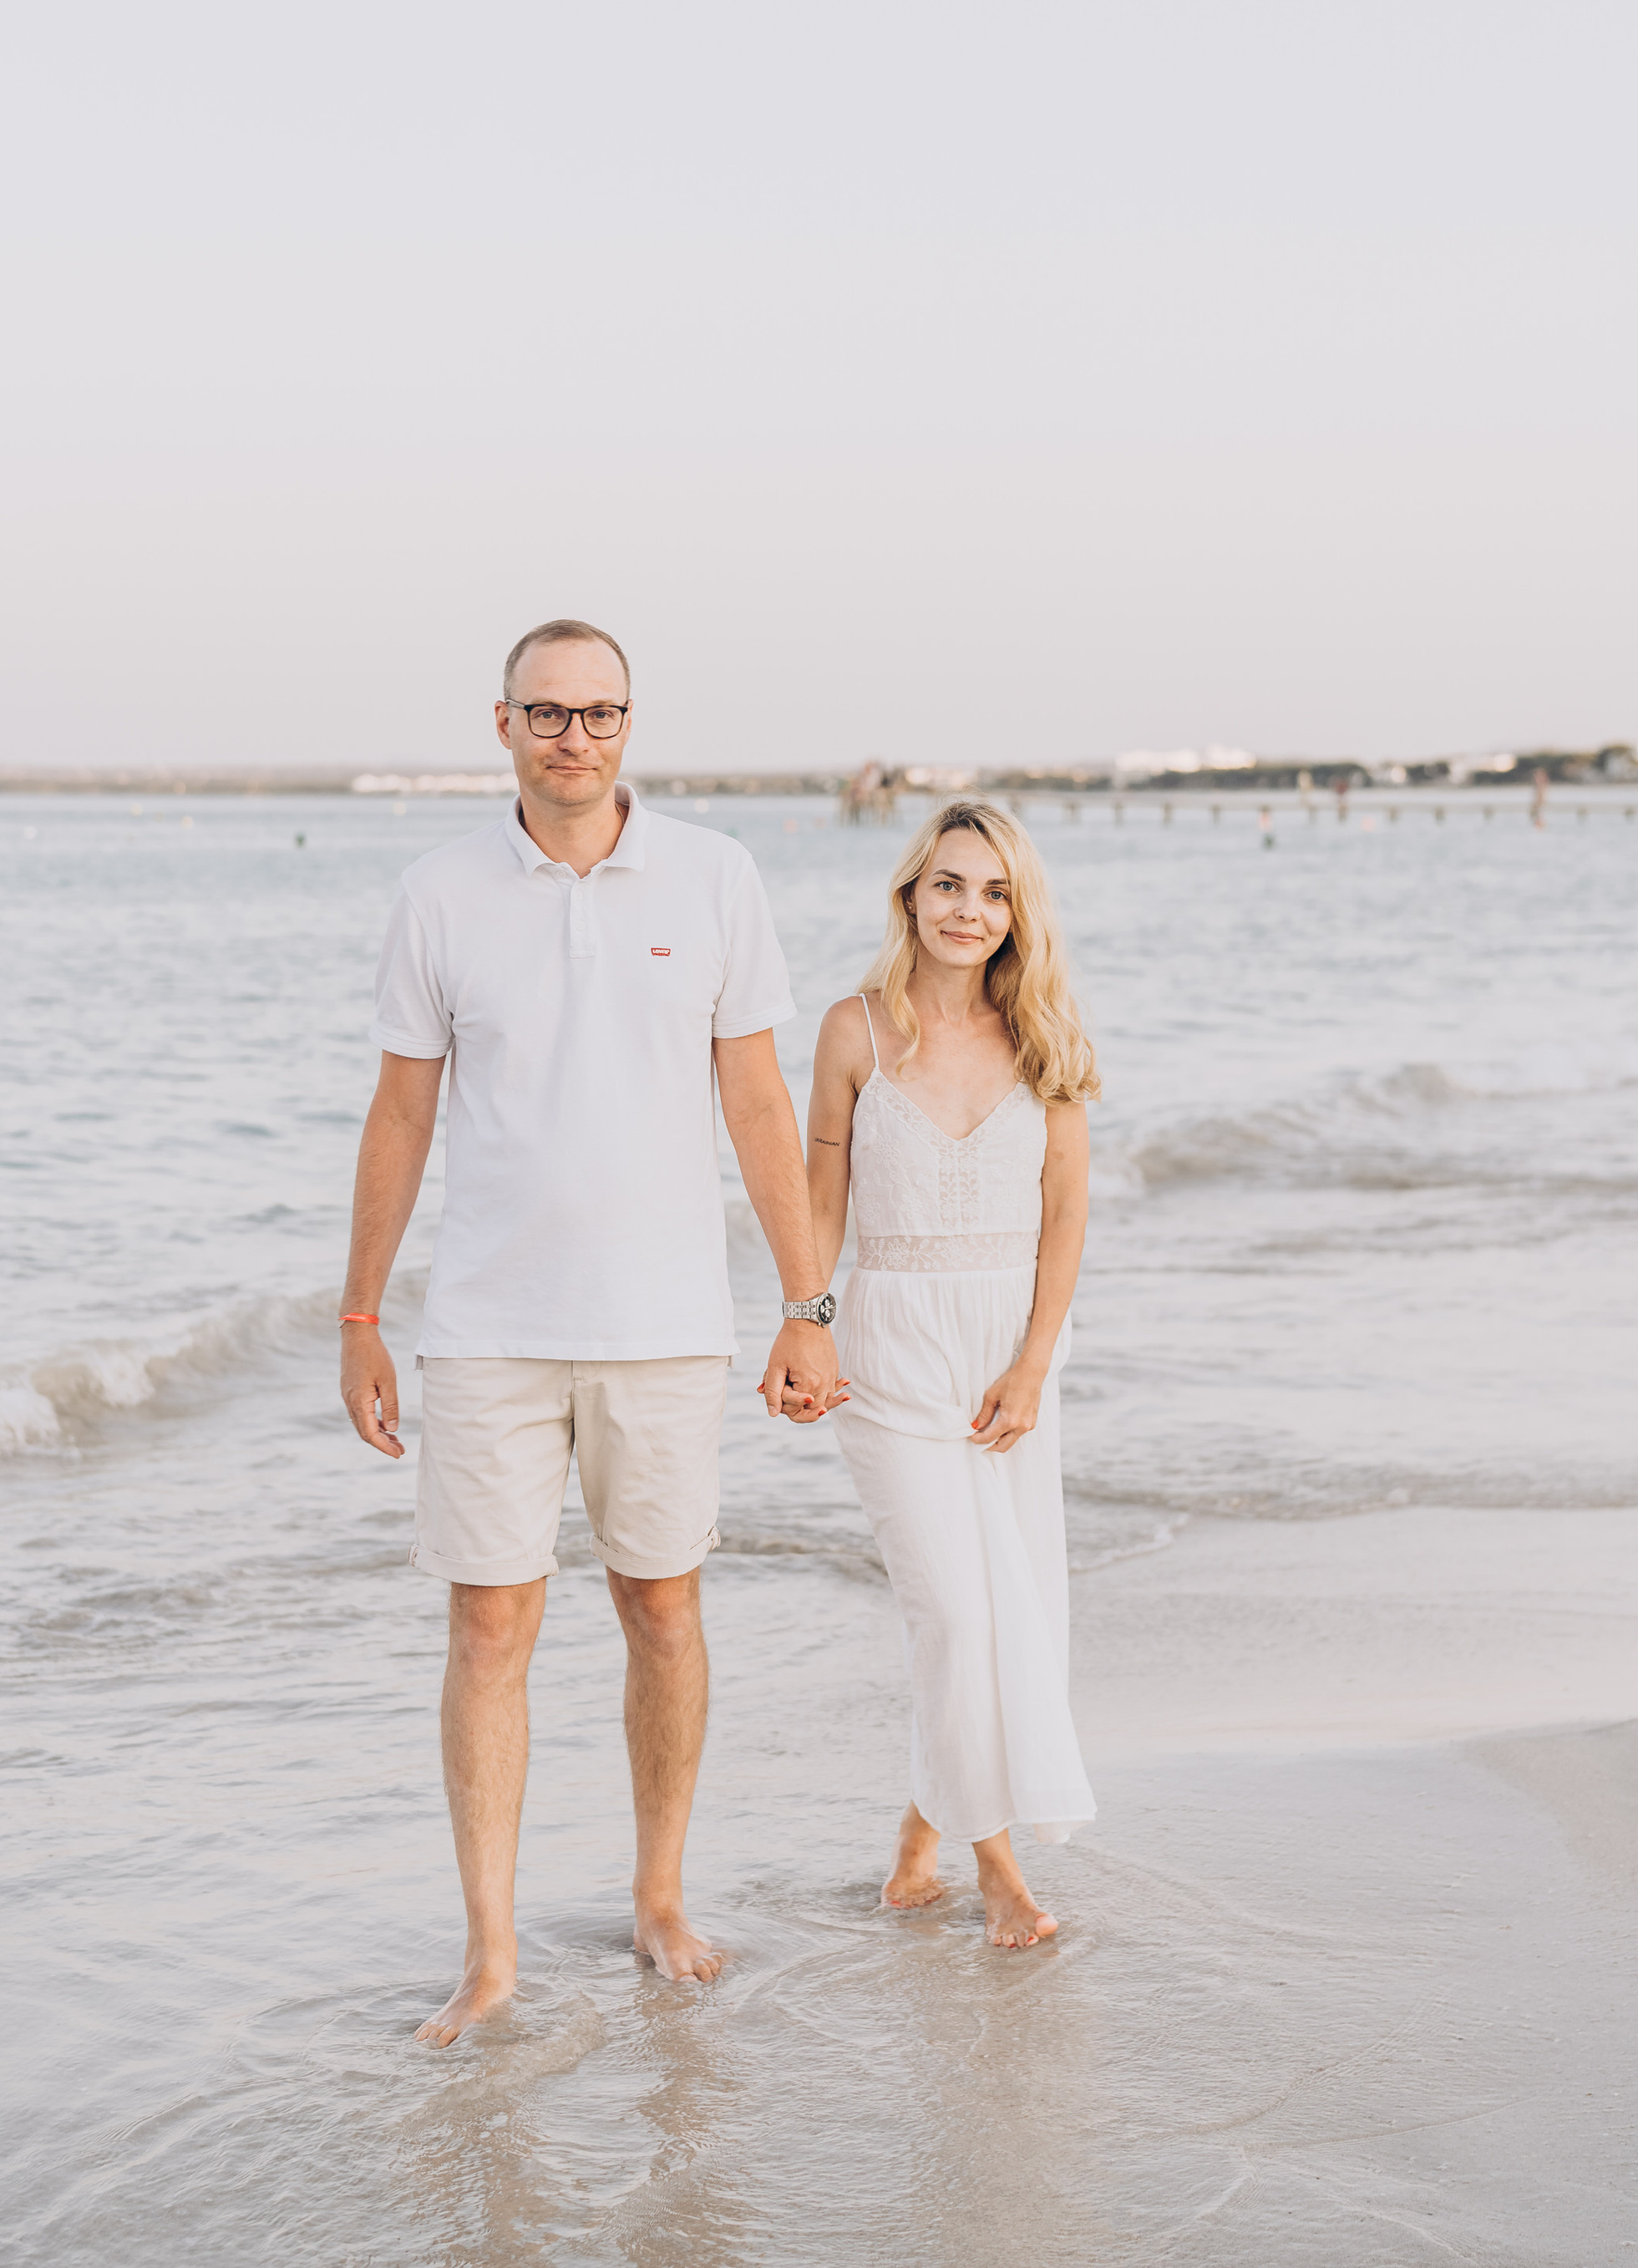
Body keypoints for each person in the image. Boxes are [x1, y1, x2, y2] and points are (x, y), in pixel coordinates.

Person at [337, 621, 841, 2044]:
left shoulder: (715, 876)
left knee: (661, 1609)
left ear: (633, 725)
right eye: (547, 714)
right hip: (489, 1324)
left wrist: (808, 1308)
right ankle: (491, 1954)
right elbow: (401, 1113)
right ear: (500, 725)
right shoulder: (440, 891)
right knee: (490, 1625)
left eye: (602, 713)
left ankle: (659, 1898)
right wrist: (362, 1316)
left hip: (665, 1322)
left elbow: (758, 1103)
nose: (576, 737)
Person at [804, 800, 1098, 1946]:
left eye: (993, 892)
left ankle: (919, 1837)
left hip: (1008, 1354)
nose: (968, 910)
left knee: (1007, 1608)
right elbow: (817, 1198)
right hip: (888, 1344)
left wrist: (1033, 1364)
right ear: (910, 897)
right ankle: (999, 1872)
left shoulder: (1049, 1039)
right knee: (954, 1619)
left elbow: (1066, 1218)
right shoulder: (853, 1032)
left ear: (1018, 911)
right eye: (948, 886)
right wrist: (804, 1322)